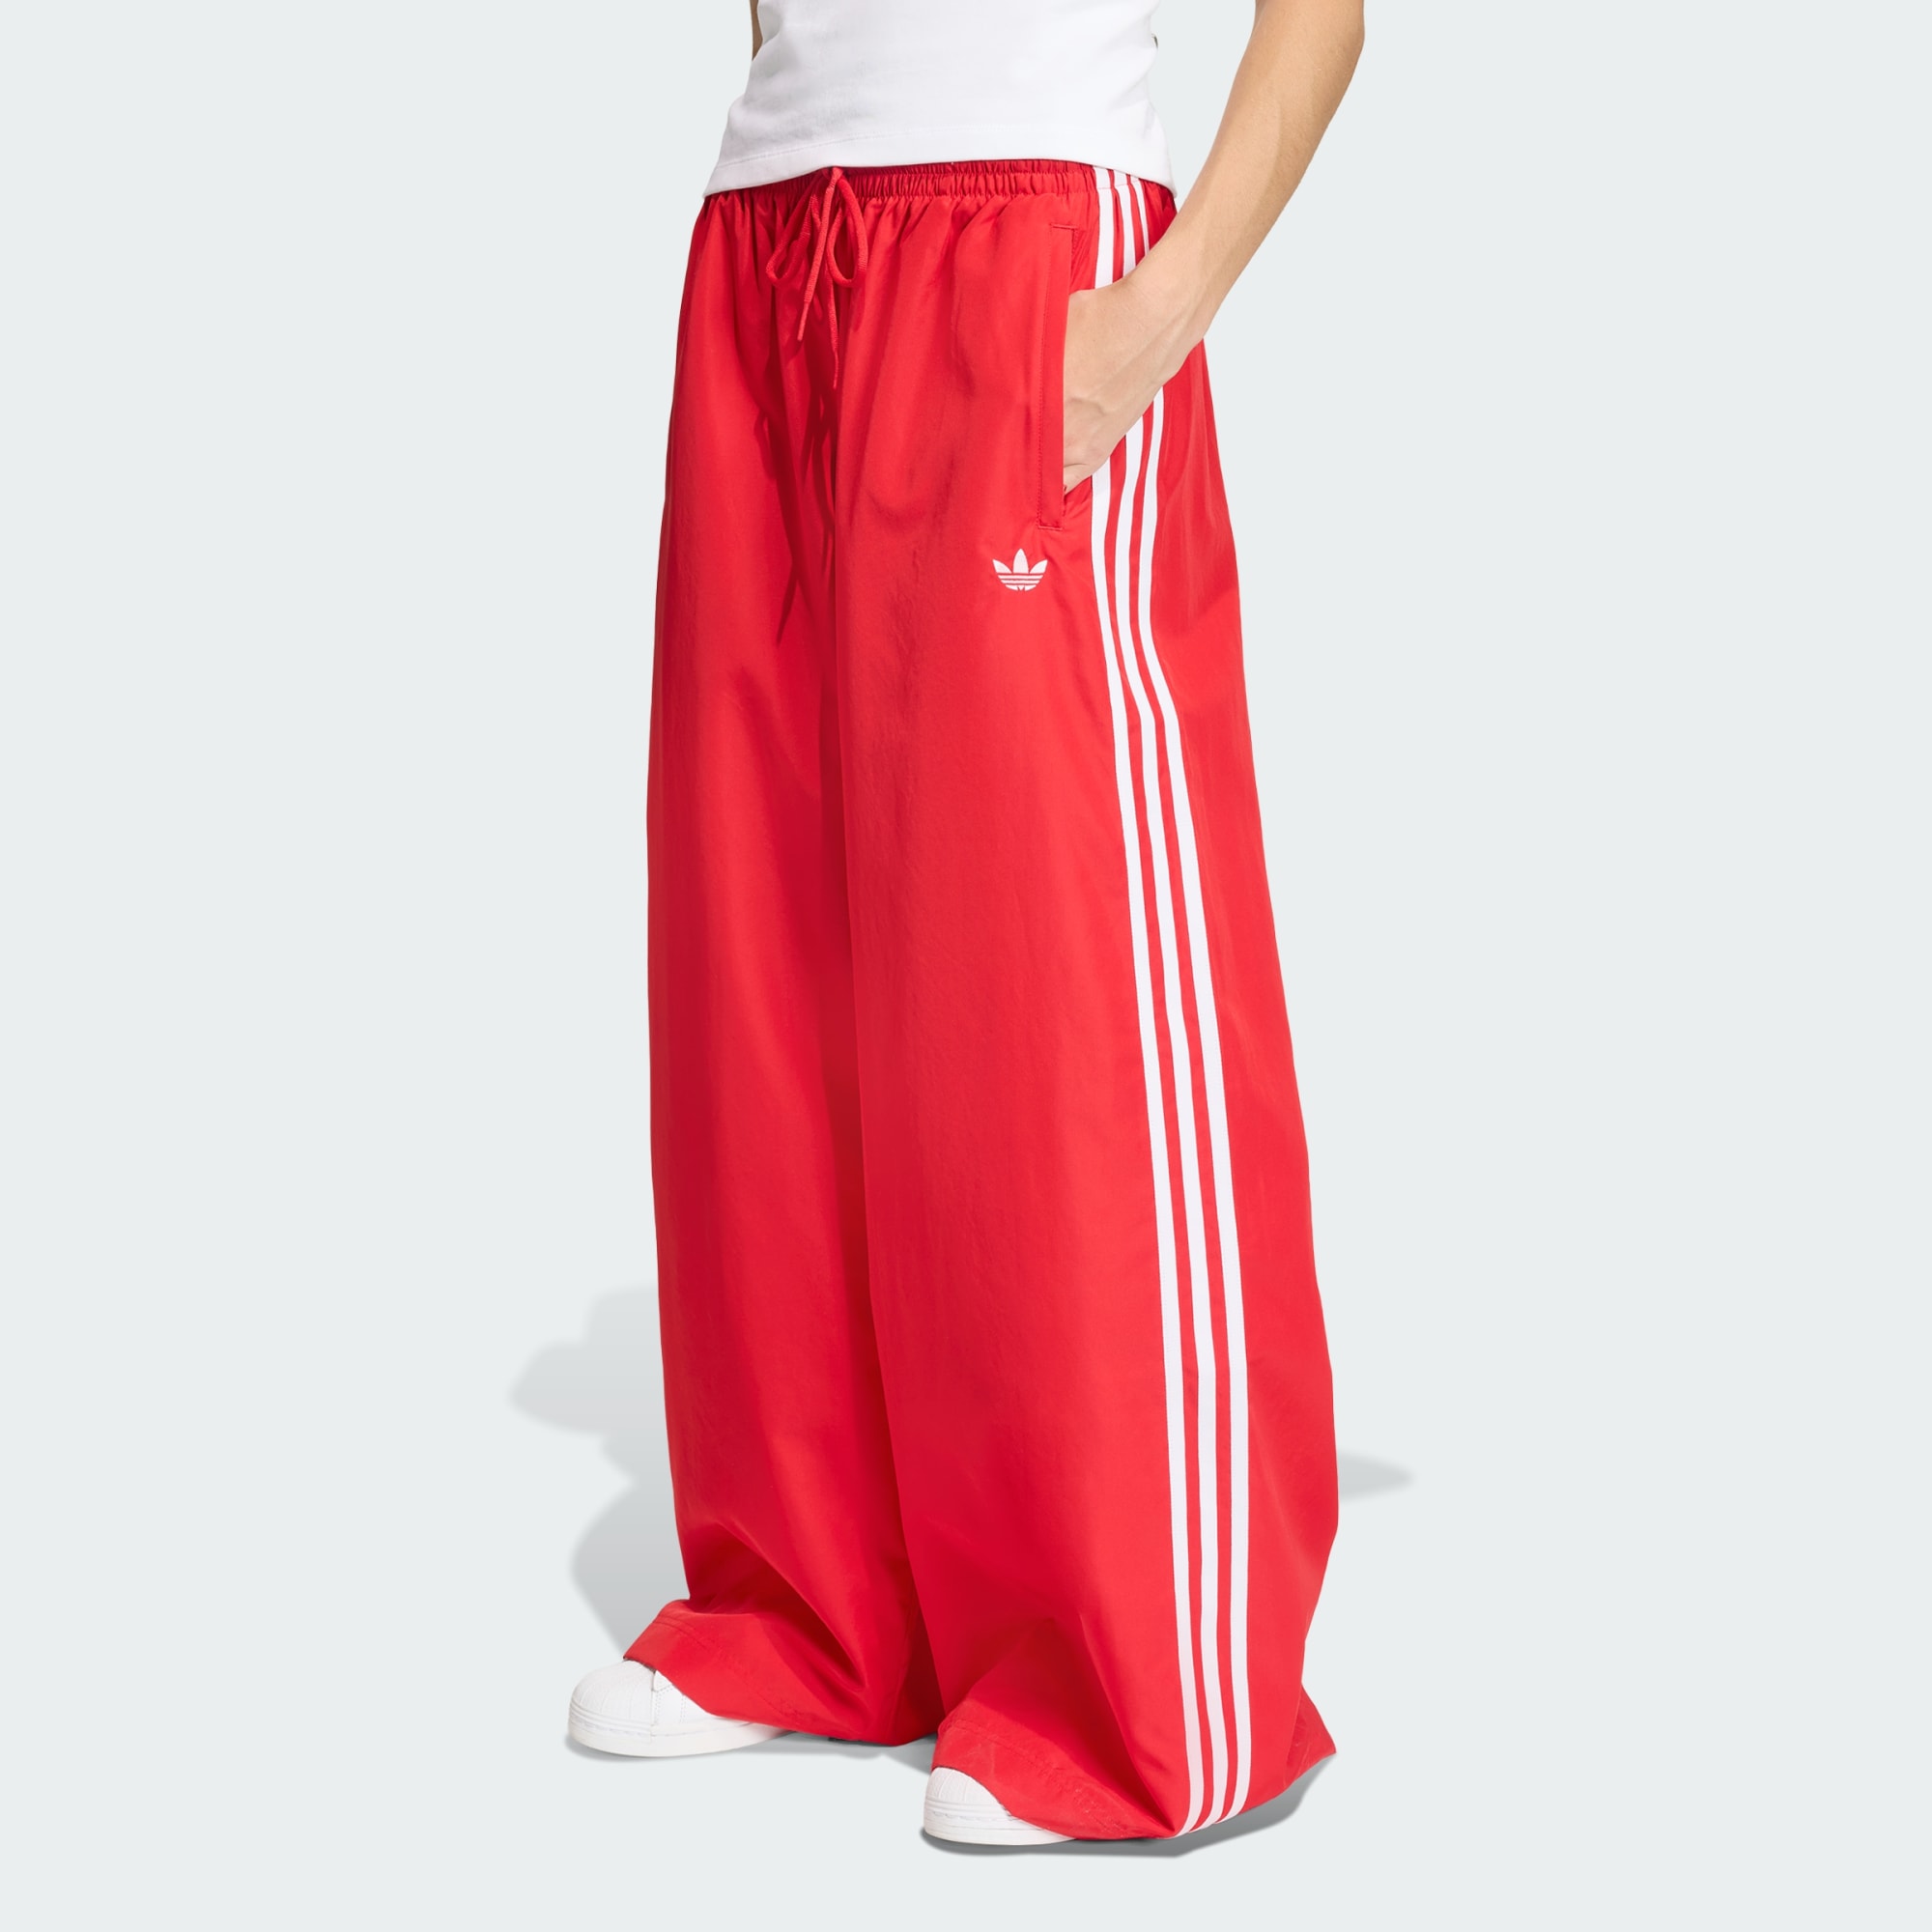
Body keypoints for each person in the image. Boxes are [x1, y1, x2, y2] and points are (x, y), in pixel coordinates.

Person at [567, 0, 1364, 1844]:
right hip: (773, 236)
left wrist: (1151, 315)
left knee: (1051, 970)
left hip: (1025, 250)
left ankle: (1145, 1685)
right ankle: (810, 1613)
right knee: (774, 959)